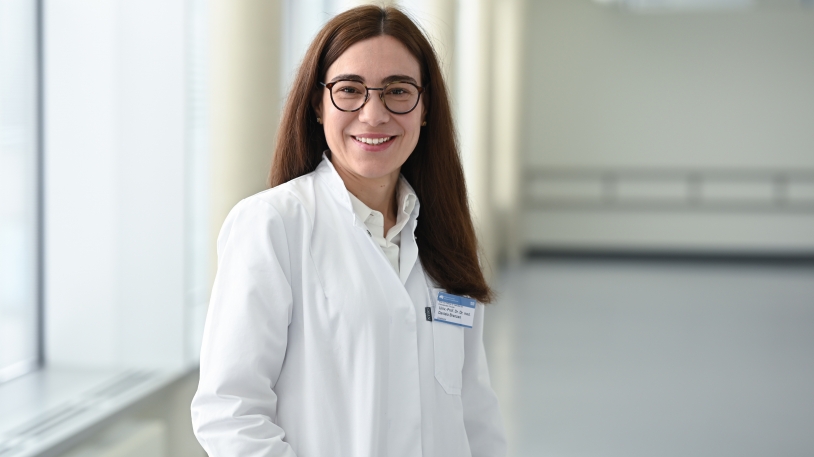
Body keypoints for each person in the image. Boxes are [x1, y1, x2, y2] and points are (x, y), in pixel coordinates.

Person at [191, 5, 506, 457]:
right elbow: (230, 410)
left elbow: (474, 411)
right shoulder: (273, 226)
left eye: (398, 90)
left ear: (425, 108)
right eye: (350, 90)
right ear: (318, 105)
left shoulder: (446, 235)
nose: (373, 114)